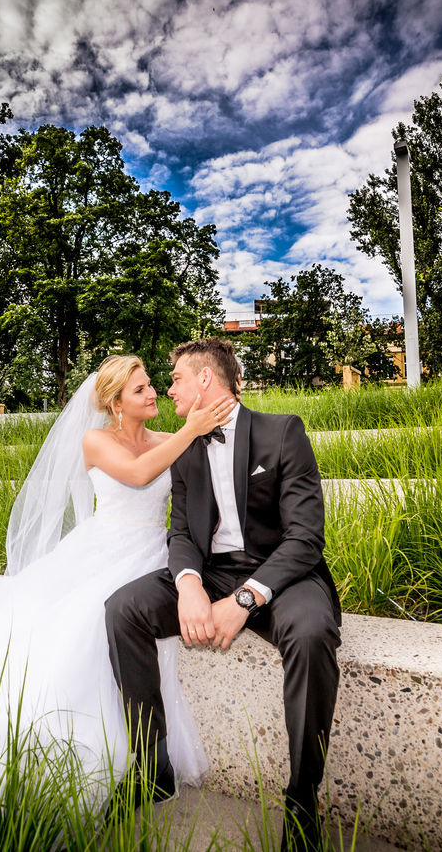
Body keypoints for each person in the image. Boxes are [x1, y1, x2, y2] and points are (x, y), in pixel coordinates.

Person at [0, 354, 236, 807]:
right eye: (139, 389)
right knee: (67, 626)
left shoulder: (168, 437)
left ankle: (146, 759)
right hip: (102, 547)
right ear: (116, 403)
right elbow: (140, 474)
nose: (153, 392)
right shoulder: (96, 440)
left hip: (152, 550)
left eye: (151, 385)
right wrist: (190, 430)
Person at [105, 338, 341, 852]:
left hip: (283, 575)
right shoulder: (186, 447)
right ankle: (154, 767)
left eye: (175, 381)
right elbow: (183, 533)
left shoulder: (283, 432)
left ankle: (302, 802)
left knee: (312, 632)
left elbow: (305, 538)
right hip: (210, 573)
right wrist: (188, 585)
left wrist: (245, 600)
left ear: (205, 382)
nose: (168, 392)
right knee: (123, 609)